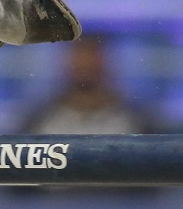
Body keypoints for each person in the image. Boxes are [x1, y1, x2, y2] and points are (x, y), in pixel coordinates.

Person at [21, 37, 156, 135]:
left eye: (92, 56)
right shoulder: (40, 117)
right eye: (80, 56)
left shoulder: (135, 118)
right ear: (66, 62)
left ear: (106, 62)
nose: (86, 64)